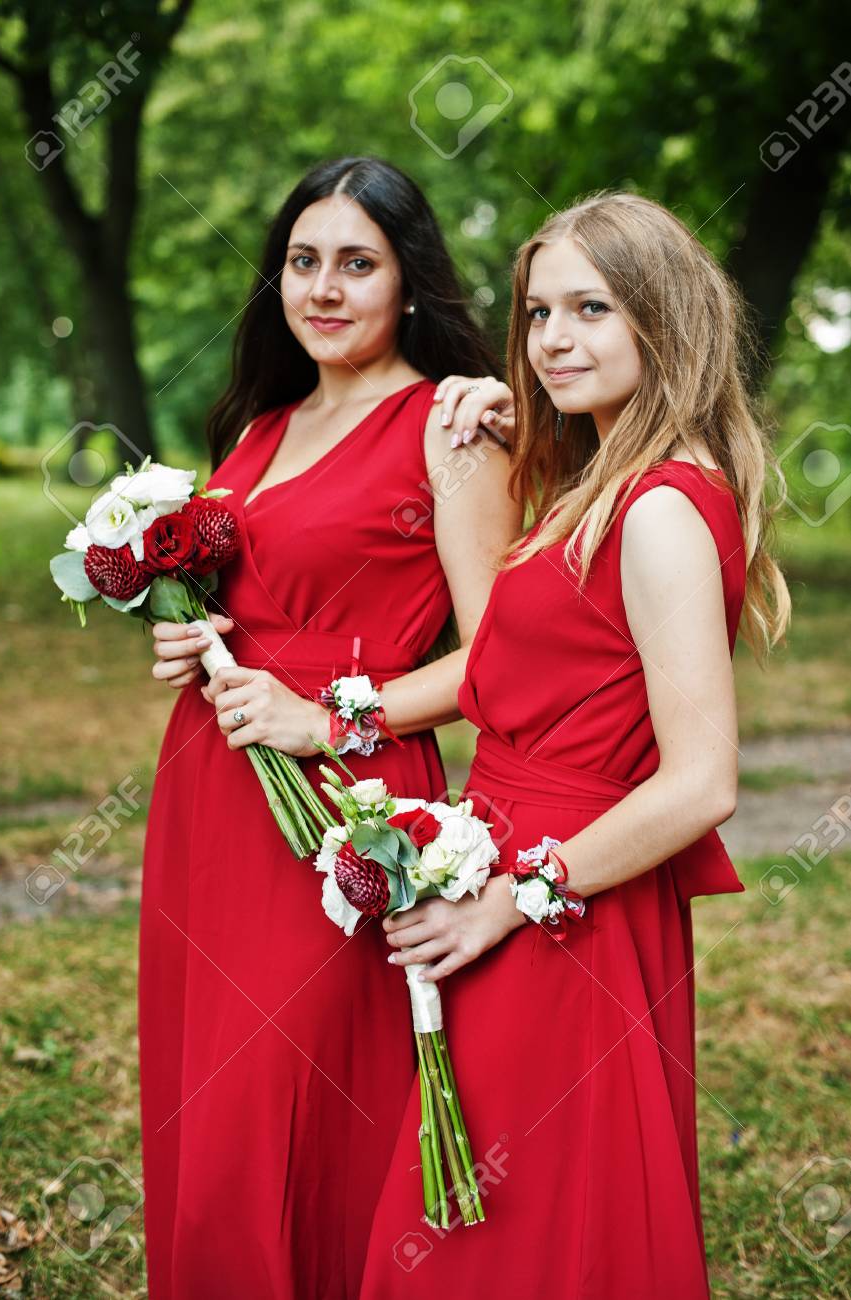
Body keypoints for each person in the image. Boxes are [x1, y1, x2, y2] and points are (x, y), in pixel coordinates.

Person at [363, 191, 790, 1298]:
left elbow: (700, 783)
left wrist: (513, 894)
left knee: (522, 1222)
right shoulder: (599, 483)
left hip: (563, 897)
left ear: (664, 316)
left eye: (592, 309)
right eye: (538, 312)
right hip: (516, 863)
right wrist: (507, 411)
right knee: (494, 1213)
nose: (553, 338)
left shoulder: (655, 508)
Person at [138, 156, 521, 1300]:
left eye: (358, 263)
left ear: (410, 283)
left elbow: (503, 658)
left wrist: (330, 713)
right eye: (304, 261)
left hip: (345, 803)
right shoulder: (260, 427)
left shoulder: (448, 428)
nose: (324, 287)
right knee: (209, 1100)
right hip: (214, 791)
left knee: (291, 1096)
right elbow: (255, 603)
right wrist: (193, 636)